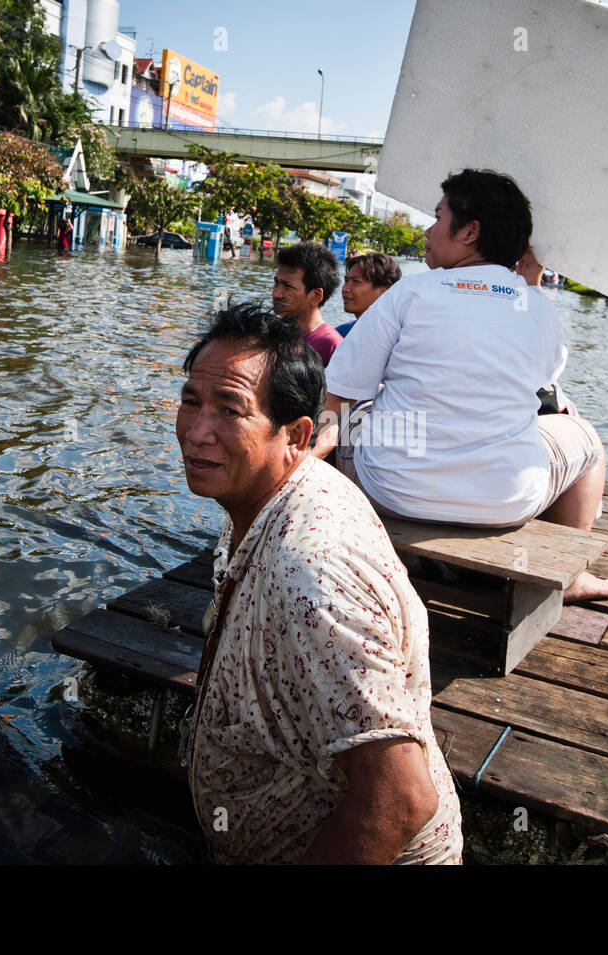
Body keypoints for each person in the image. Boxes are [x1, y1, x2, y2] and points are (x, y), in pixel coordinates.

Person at [176, 302, 462, 864]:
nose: (197, 432)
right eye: (191, 401)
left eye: (230, 409)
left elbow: (398, 798)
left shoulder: (312, 575)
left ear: (297, 435)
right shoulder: (272, 497)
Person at [317, 169, 608, 602]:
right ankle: (567, 577)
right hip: (507, 502)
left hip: (392, 491)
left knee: (346, 418)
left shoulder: (410, 293)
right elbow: (541, 385)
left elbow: (341, 396)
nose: (426, 229)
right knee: (587, 439)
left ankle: (334, 558)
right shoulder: (538, 307)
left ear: (470, 231)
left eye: (438, 216)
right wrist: (529, 286)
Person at [272, 241, 343, 366]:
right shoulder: (274, 334)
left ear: (316, 296)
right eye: (276, 283)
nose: (276, 294)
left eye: (288, 287)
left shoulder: (331, 345)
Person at [335, 252, 401, 337]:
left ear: (384, 292)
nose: (345, 289)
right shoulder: (339, 334)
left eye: (356, 281)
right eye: (346, 281)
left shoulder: (400, 340)